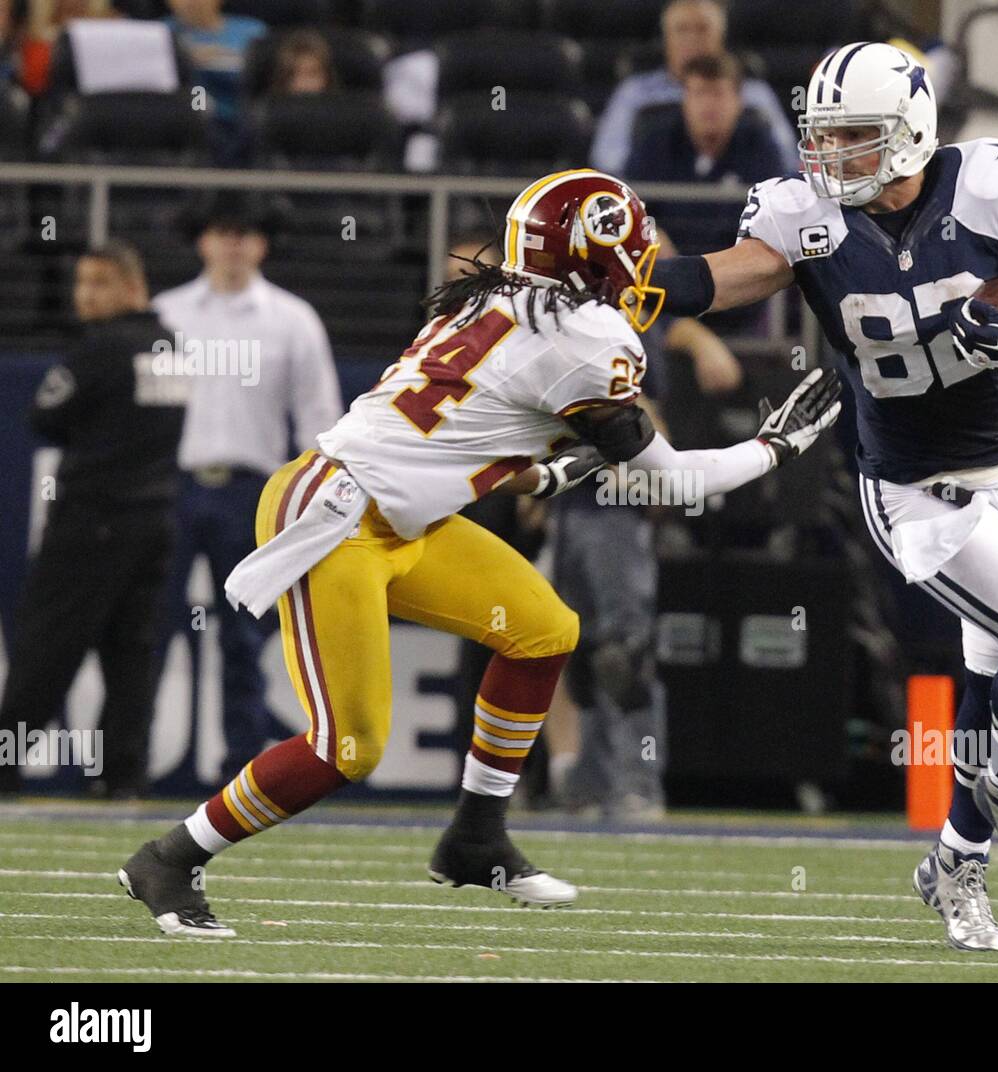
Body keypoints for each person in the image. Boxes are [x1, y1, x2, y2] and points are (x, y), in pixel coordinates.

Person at [116, 169, 841, 936]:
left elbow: (464, 430)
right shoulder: (586, 341)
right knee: (348, 747)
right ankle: (170, 858)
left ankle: (476, 836)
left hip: (396, 514)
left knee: (543, 630)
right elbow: (673, 478)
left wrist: (551, 469)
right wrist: (773, 448)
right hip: (336, 520)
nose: (645, 252)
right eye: (632, 238)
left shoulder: (491, 296)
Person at [652, 42, 998, 952]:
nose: (833, 156)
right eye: (823, 136)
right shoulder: (806, 217)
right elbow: (716, 279)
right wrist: (634, 282)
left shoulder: (989, 184)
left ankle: (955, 860)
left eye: (855, 136)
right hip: (915, 490)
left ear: (911, 132)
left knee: (994, 683)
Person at [154, 193, 341, 788]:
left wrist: (313, 501)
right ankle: (130, 761)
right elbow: (146, 413)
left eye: (245, 233)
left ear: (262, 243)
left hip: (252, 492)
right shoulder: (167, 313)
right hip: (172, 487)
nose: (233, 244)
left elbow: (319, 418)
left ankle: (243, 772)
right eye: (222, 231)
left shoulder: (292, 319)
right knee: (148, 625)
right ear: (202, 239)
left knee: (244, 630)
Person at [0, 242, 185, 799]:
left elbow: (45, 414)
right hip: (153, 517)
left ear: (133, 286)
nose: (85, 295)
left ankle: (5, 761)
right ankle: (121, 772)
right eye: (81, 282)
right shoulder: (170, 346)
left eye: (99, 283)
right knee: (130, 649)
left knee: (47, 642)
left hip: (92, 518)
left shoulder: (100, 348)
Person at [591, 0, 798, 177]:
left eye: (702, 28)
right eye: (682, 29)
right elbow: (608, 162)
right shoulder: (635, 92)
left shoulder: (754, 93)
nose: (692, 38)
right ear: (666, 39)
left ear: (721, 36)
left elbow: (788, 161)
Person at [624, 52, 787, 258]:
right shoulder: (654, 142)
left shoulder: (759, 145)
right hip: (665, 270)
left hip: (739, 271)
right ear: (684, 100)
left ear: (738, 101)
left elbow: (775, 219)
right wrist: (650, 234)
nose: (708, 105)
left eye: (718, 94)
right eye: (699, 93)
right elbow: (630, 207)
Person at [164, 0, 265, 165]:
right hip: (196, 98)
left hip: (241, 101)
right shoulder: (161, 31)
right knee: (197, 98)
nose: (190, 3)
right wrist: (187, 59)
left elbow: (263, 70)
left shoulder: (252, 30)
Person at [269, 27, 334, 96]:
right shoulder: (265, 105)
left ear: (326, 77)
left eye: (312, 74)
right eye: (296, 74)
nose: (305, 83)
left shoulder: (343, 105)